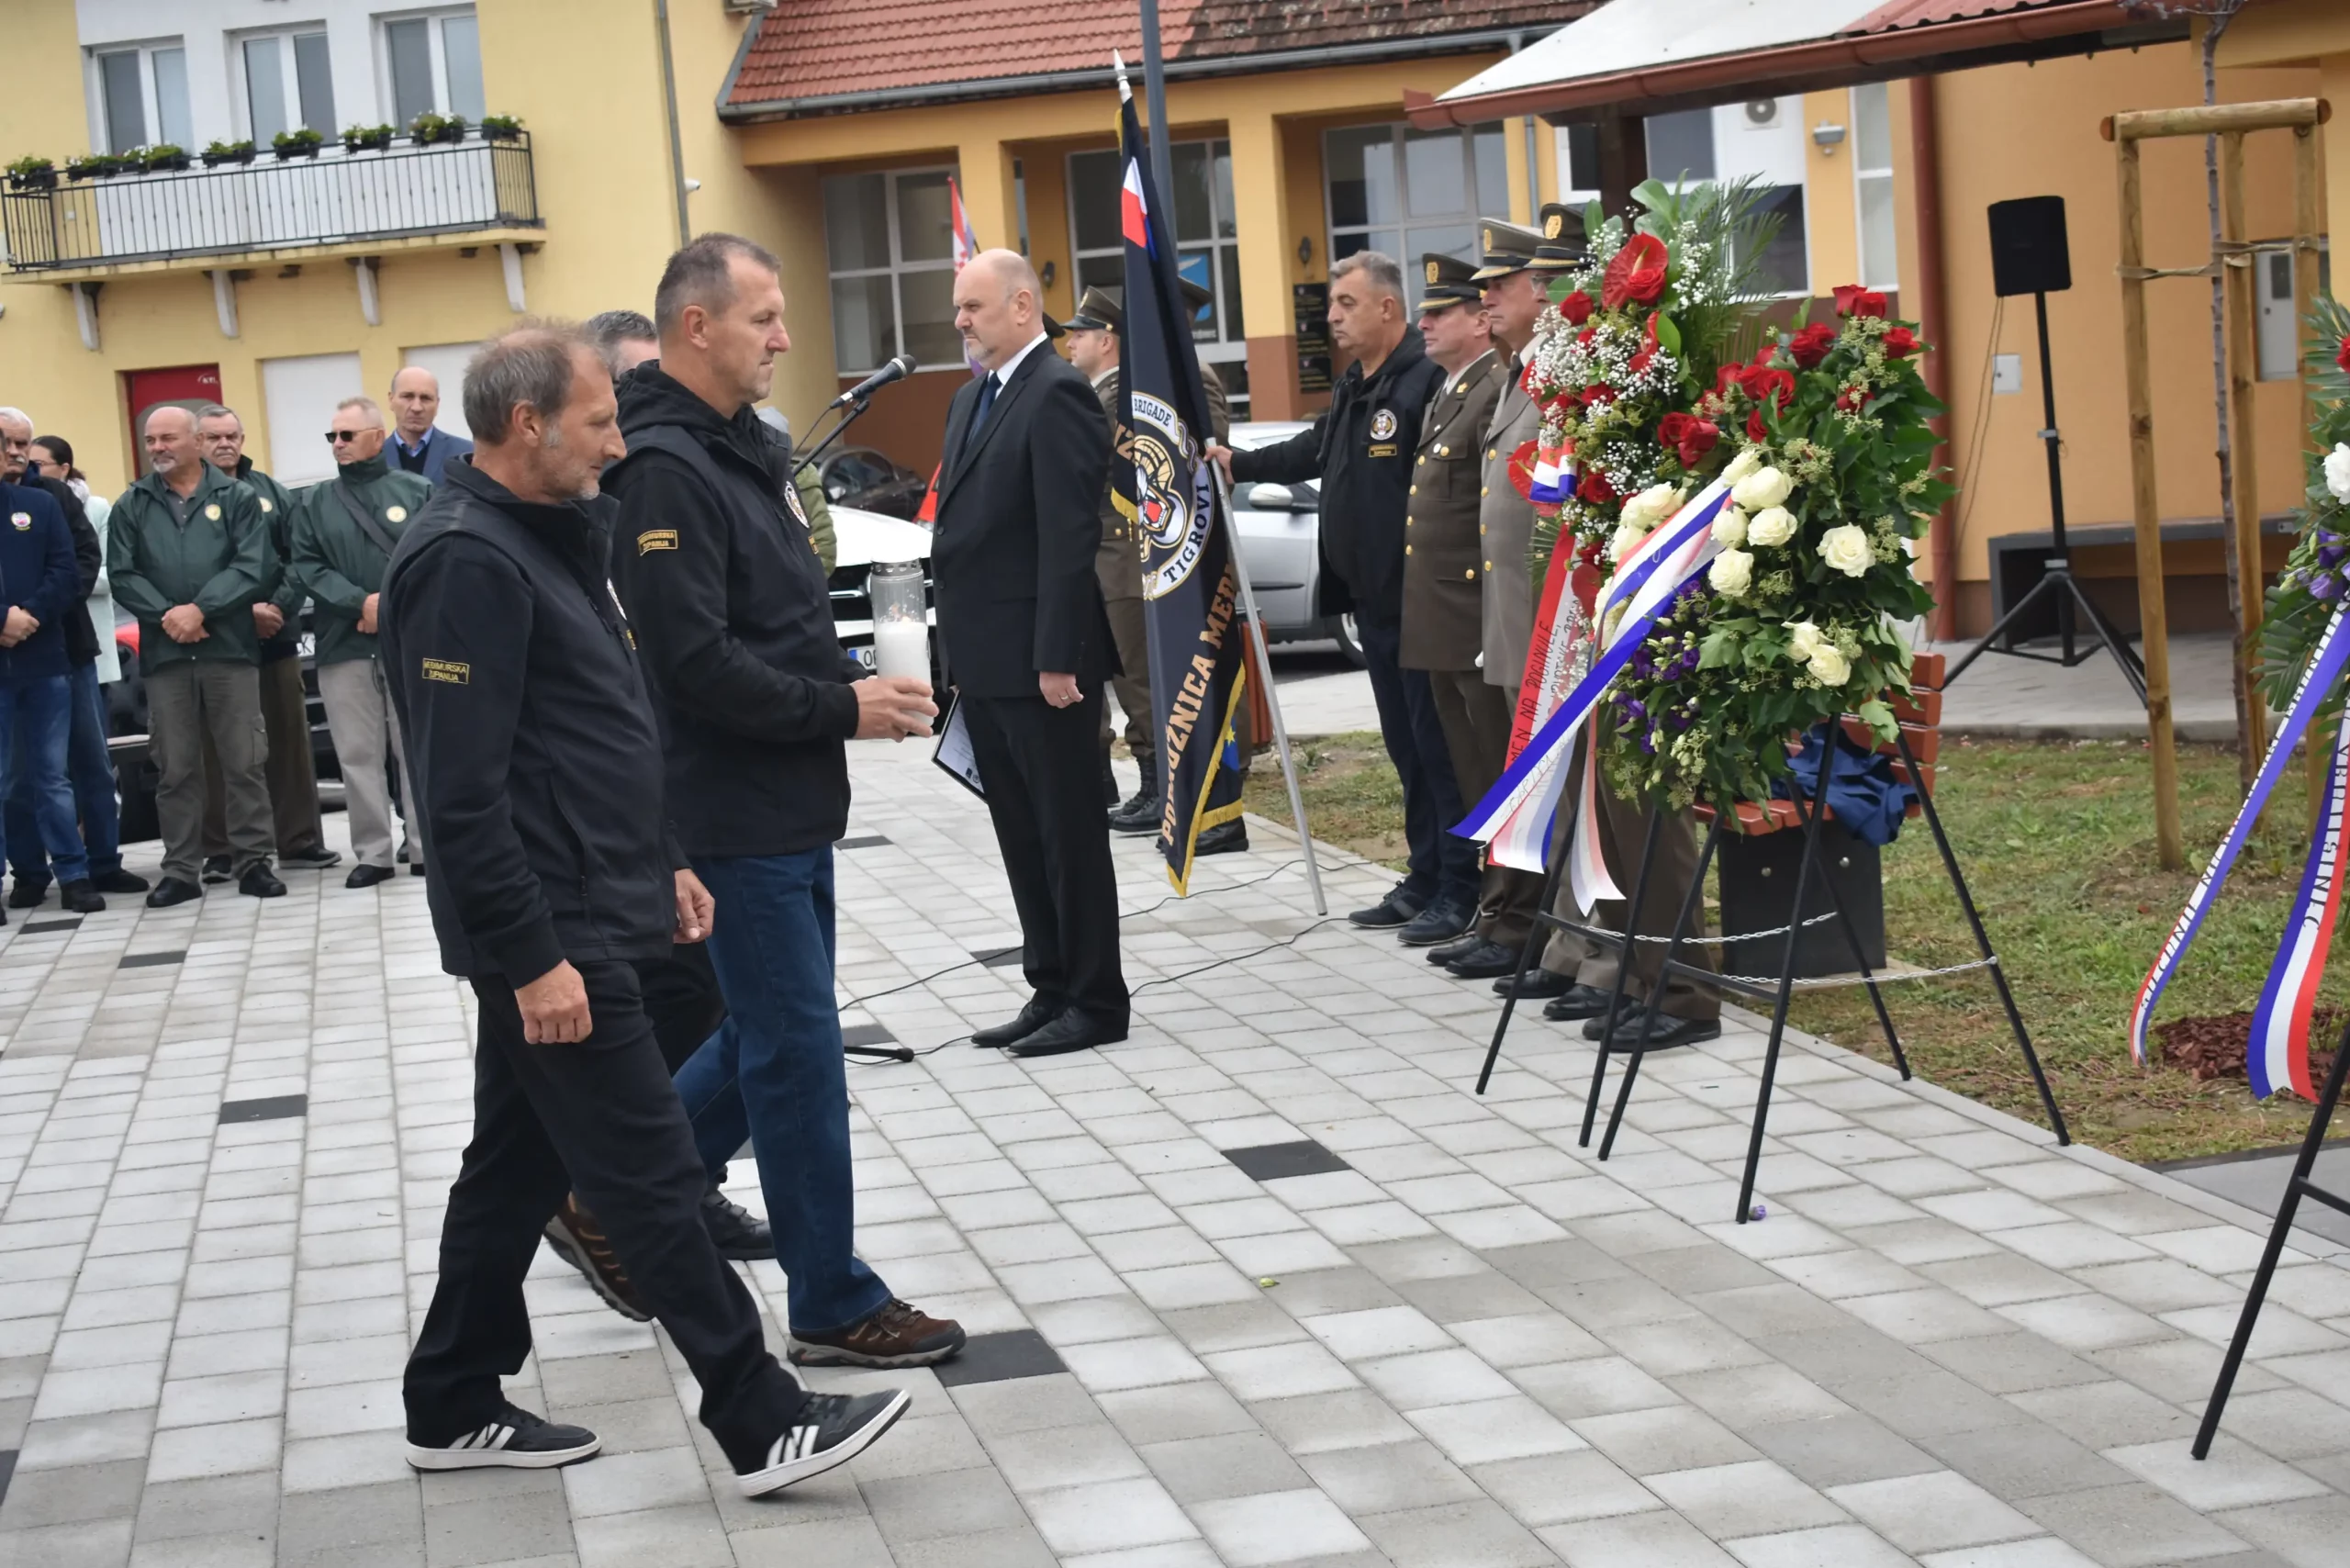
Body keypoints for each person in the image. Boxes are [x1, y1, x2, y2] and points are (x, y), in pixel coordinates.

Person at [386, 320, 908, 1493]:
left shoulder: (553, 534)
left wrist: (665, 858)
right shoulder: (464, 561)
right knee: (650, 1174)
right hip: (549, 931)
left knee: (513, 1166)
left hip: (598, 897)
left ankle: (452, 1393)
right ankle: (759, 1413)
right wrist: (531, 961)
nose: (618, 440)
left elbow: (600, 729)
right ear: (527, 425)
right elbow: (461, 799)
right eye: (599, 419)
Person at [603, 235, 963, 1366]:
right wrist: (838, 711)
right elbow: (691, 663)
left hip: (786, 798)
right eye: (763, 316)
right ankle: (832, 1300)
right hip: (731, 808)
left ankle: (613, 1191)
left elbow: (767, 621)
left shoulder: (731, 448)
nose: (785, 338)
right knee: (799, 1050)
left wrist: (849, 686)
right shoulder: (661, 466)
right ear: (696, 326)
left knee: (770, 1036)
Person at [1210, 252, 1471, 944]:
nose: (1331, 318)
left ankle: (1460, 885)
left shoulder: (1423, 382)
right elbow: (1314, 449)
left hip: (1424, 604)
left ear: (1388, 308)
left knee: (1438, 747)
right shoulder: (1360, 383)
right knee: (1405, 747)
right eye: (1331, 304)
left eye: (1345, 304)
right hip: (1374, 605)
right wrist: (1238, 462)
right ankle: (1425, 873)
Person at [933, 250, 1125, 1058]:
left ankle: (1094, 999)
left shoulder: (1058, 393)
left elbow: (1066, 536)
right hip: (985, 658)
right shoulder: (972, 397)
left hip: (1043, 663)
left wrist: (1058, 659)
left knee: (1068, 832)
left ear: (1021, 307)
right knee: (1020, 830)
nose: (961, 322)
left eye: (973, 307)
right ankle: (1048, 986)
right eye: (957, 309)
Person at [1062, 284, 1248, 848]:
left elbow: (1203, 471)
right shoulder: (1117, 390)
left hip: (1150, 555)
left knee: (1154, 681)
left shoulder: (1185, 383)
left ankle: (1176, 791)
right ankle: (1155, 786)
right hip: (1119, 555)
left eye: (1081, 332)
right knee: (1133, 679)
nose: (1070, 342)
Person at [1399, 252, 1524, 983]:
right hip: (1442, 615)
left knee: (1494, 769)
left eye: (1441, 311)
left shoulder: (1489, 389)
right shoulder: (1454, 391)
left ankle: (1507, 915)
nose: (1426, 322)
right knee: (1469, 773)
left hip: (1475, 612)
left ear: (1479, 321)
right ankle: (1492, 907)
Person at [108, 407, 285, 906]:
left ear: (194, 440)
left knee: (245, 760)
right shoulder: (133, 504)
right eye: (151, 440)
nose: (158, 447)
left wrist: (201, 610)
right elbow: (122, 573)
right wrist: (170, 615)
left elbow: (254, 565)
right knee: (175, 767)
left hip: (228, 650)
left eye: (168, 438)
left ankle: (254, 863)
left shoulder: (237, 497)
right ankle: (182, 870)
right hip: (166, 657)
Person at [290, 398, 432, 890]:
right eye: (332, 437)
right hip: (342, 642)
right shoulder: (312, 501)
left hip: (407, 639)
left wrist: (385, 606)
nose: (338, 445)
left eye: (348, 435)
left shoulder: (416, 490)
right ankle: (372, 853)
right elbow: (306, 566)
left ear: (377, 435)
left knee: (415, 748)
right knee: (356, 753)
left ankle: (423, 846)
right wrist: (359, 603)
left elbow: (433, 557)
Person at [196, 405, 339, 879]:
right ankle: (220, 849)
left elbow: (297, 557)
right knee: (220, 748)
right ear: (198, 442)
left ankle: (298, 839)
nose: (224, 444)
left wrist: (276, 607)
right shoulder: (185, 497)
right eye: (214, 437)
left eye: (232, 435)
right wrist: (240, 611)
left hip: (274, 637)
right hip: (215, 640)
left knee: (288, 741)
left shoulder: (271, 493)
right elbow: (190, 570)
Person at [0, 420, 140, 902]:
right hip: (12, 657)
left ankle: (98, 865)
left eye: (23, 444)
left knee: (86, 764)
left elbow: (79, 564)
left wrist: (34, 616)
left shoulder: (51, 499)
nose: (16, 452)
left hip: (65, 649)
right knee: (16, 776)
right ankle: (29, 873)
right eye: (8, 444)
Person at [0, 465, 97, 923]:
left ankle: (74, 877)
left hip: (43, 661)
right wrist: (2, 619)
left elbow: (66, 568)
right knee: (6, 781)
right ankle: (25, 874)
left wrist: (29, 615)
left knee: (52, 777)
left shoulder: (38, 505)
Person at [386, 367, 476, 482]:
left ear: (437, 404)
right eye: (408, 396)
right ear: (391, 400)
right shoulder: (373, 457)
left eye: (425, 398)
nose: (416, 407)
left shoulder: (466, 454)